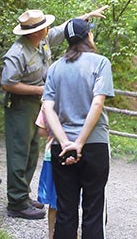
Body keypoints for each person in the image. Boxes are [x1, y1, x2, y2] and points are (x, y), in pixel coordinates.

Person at [0, 5, 109, 220]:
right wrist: (42, 90)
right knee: (19, 152)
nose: (48, 28)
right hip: (21, 105)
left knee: (32, 150)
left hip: (38, 103)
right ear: (34, 31)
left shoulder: (43, 40)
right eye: (44, 26)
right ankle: (16, 201)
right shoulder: (17, 53)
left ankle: (23, 195)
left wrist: (85, 16)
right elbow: (7, 83)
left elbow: (65, 29)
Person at [43, 16, 114, 239]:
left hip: (61, 149)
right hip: (94, 146)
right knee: (93, 210)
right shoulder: (101, 62)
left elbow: (47, 108)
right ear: (88, 36)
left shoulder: (55, 68)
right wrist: (80, 143)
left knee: (65, 210)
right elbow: (97, 102)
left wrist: (65, 142)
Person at [35, 107, 57, 239]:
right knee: (70, 201)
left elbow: (41, 131)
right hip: (75, 153)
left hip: (52, 153)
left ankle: (51, 235)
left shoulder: (48, 101)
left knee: (53, 202)